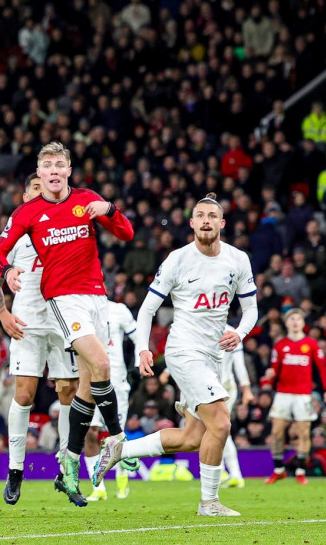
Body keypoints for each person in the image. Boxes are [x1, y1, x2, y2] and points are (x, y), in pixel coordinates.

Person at [0, 141, 137, 506]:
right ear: (35, 178)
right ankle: (17, 469)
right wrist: (4, 301)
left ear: (68, 170)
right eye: (45, 168)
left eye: (59, 165)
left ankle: (67, 463)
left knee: (78, 388)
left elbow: (126, 233)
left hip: (92, 300)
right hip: (40, 313)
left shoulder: (86, 200)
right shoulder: (25, 218)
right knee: (30, 392)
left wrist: (110, 209)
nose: (52, 174)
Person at [93, 193, 258, 517]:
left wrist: (238, 332)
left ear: (222, 223)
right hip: (184, 350)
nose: (207, 220)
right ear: (193, 223)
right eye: (201, 215)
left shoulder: (237, 260)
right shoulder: (177, 259)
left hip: (212, 355)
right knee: (221, 423)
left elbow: (251, 309)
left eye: (213, 215)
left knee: (192, 437)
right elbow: (147, 309)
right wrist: (143, 348)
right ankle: (209, 503)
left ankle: (119, 449)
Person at [0, 173, 80, 505]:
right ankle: (15, 471)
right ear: (26, 195)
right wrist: (3, 314)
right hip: (27, 323)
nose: (44, 193)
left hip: (63, 321)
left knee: (68, 391)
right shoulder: (15, 231)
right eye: (36, 189)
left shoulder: (68, 226)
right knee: (24, 395)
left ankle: (67, 469)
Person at [263, 308, 326, 486]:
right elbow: (274, 370)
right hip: (283, 393)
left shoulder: (311, 344)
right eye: (291, 319)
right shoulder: (280, 345)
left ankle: (301, 471)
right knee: (277, 432)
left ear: (303, 323)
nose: (294, 322)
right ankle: (278, 470)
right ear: (286, 323)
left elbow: (322, 369)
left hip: (303, 395)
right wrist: (270, 376)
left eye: (298, 319)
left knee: (303, 432)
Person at [83, 298, 137, 502]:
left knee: (117, 436)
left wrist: (141, 358)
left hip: (117, 381)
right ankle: (98, 487)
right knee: (90, 432)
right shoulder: (81, 311)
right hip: (89, 381)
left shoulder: (119, 310)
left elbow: (137, 335)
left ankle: (122, 479)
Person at [218, 340, 254, 488]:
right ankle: (233, 474)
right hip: (221, 385)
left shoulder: (230, 333)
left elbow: (239, 364)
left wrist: (246, 389)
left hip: (220, 387)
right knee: (218, 430)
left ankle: (223, 473)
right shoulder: (230, 331)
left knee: (215, 430)